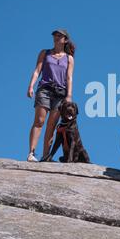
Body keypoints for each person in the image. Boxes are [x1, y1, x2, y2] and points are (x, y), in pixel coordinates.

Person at [26, 29, 75, 162]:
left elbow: (69, 77)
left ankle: (46, 156)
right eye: (55, 35)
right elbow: (37, 71)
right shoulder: (45, 53)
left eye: (59, 36)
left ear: (65, 40)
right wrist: (31, 86)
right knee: (39, 121)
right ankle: (31, 153)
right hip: (45, 90)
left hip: (60, 93)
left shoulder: (69, 58)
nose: (56, 37)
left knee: (51, 125)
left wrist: (69, 96)